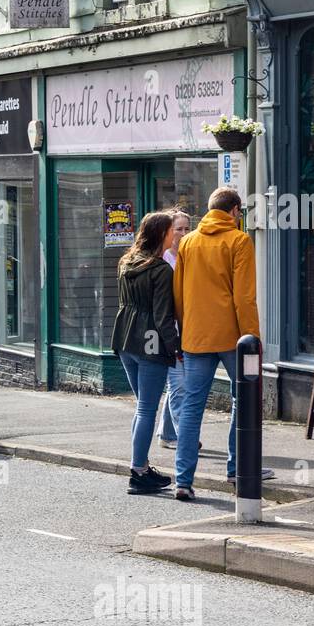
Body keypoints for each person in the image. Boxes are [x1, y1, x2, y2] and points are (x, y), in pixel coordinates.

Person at [171, 187, 272, 501]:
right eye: (239, 213)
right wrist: (252, 339)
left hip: (196, 336)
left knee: (191, 407)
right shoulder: (239, 241)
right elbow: (244, 298)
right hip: (232, 337)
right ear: (235, 211)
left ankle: (183, 480)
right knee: (242, 400)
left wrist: (185, 329)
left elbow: (179, 294)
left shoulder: (188, 242)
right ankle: (237, 469)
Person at [110, 211, 179, 495]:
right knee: (147, 409)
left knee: (142, 408)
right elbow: (163, 316)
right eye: (172, 231)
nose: (175, 235)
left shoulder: (126, 262)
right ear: (161, 235)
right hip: (150, 342)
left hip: (125, 338)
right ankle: (138, 472)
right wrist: (175, 347)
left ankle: (141, 465)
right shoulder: (162, 270)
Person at [157, 209, 191, 450]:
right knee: (179, 385)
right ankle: (185, 437)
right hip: (170, 331)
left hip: (190, 329)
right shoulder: (162, 260)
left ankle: (167, 434)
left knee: (177, 385)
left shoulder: (190, 255)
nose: (183, 233)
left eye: (186, 228)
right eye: (178, 229)